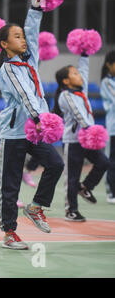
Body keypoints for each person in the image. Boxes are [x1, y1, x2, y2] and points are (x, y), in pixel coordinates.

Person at [0, 0, 64, 250]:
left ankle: (35, 207)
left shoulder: (29, 62)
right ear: (4, 44)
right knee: (10, 184)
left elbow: (33, 34)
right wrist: (39, 119)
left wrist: (35, 9)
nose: (23, 40)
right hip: (15, 132)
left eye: (22, 36)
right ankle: (9, 233)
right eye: (16, 37)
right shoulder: (9, 68)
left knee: (56, 164)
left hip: (34, 132)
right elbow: (25, 94)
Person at [53, 56, 110, 221]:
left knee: (104, 162)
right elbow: (77, 112)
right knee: (72, 177)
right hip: (73, 141)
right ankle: (71, 210)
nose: (79, 76)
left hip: (88, 139)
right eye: (75, 74)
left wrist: (84, 55)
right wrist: (88, 128)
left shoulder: (80, 93)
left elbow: (84, 72)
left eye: (78, 73)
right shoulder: (65, 95)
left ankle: (85, 187)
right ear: (66, 80)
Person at [100, 50, 115, 204]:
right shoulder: (107, 82)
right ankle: (111, 191)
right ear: (109, 65)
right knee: (111, 160)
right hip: (113, 129)